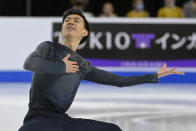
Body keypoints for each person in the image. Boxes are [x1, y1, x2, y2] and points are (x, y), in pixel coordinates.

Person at [18, 8, 184, 131]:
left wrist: (153, 76)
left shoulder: (83, 66)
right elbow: (29, 63)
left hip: (62, 122)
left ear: (84, 32)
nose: (70, 22)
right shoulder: (49, 48)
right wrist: (62, 66)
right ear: (61, 29)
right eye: (67, 20)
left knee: (112, 129)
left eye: (76, 20)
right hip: (38, 121)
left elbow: (119, 81)